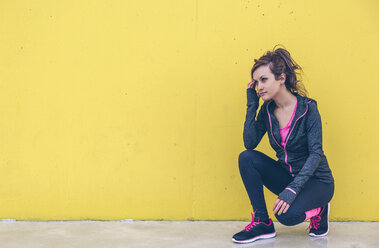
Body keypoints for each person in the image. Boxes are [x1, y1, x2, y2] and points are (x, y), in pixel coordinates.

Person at [232, 45, 335, 244]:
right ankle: (262, 221)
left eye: (264, 79)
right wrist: (252, 103)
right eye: (256, 82)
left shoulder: (308, 109)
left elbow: (316, 153)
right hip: (288, 176)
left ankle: (320, 209)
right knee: (246, 158)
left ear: (281, 78)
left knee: (287, 217)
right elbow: (250, 143)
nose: (259, 86)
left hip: (317, 182)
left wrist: (292, 190)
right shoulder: (267, 110)